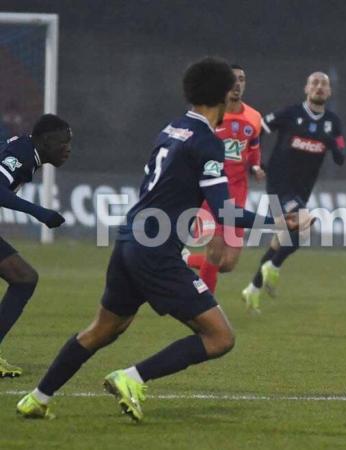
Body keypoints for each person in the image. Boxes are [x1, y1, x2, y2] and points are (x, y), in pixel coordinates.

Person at [16, 57, 307, 421]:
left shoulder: (171, 129)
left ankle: (38, 397)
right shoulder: (207, 142)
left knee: (102, 329)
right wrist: (281, 221)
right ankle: (132, 377)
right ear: (221, 96)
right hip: (156, 252)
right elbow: (226, 214)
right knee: (220, 337)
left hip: (129, 242)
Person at [241, 72, 346, 311]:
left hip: (302, 190)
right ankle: (273, 267)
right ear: (306, 88)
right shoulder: (290, 114)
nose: (319, 87)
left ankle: (253, 288)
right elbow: (256, 131)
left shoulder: (332, 122)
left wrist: (331, 143)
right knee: (305, 228)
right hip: (279, 184)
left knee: (284, 239)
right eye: (315, 83)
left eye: (324, 84)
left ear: (329, 92)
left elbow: (340, 156)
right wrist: (255, 163)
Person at [184, 64, 265, 294]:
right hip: (210, 192)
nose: (238, 83)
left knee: (227, 263)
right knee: (215, 249)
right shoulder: (209, 114)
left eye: (242, 78)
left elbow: (254, 148)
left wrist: (256, 166)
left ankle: (185, 260)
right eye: (233, 79)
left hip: (237, 194)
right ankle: (206, 306)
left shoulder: (254, 117)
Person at [0, 114, 71, 377]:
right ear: (44, 141)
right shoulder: (22, 154)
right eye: (63, 141)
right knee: (23, 279)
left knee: (24, 279)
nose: (68, 148)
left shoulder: (27, 152)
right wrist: (39, 212)